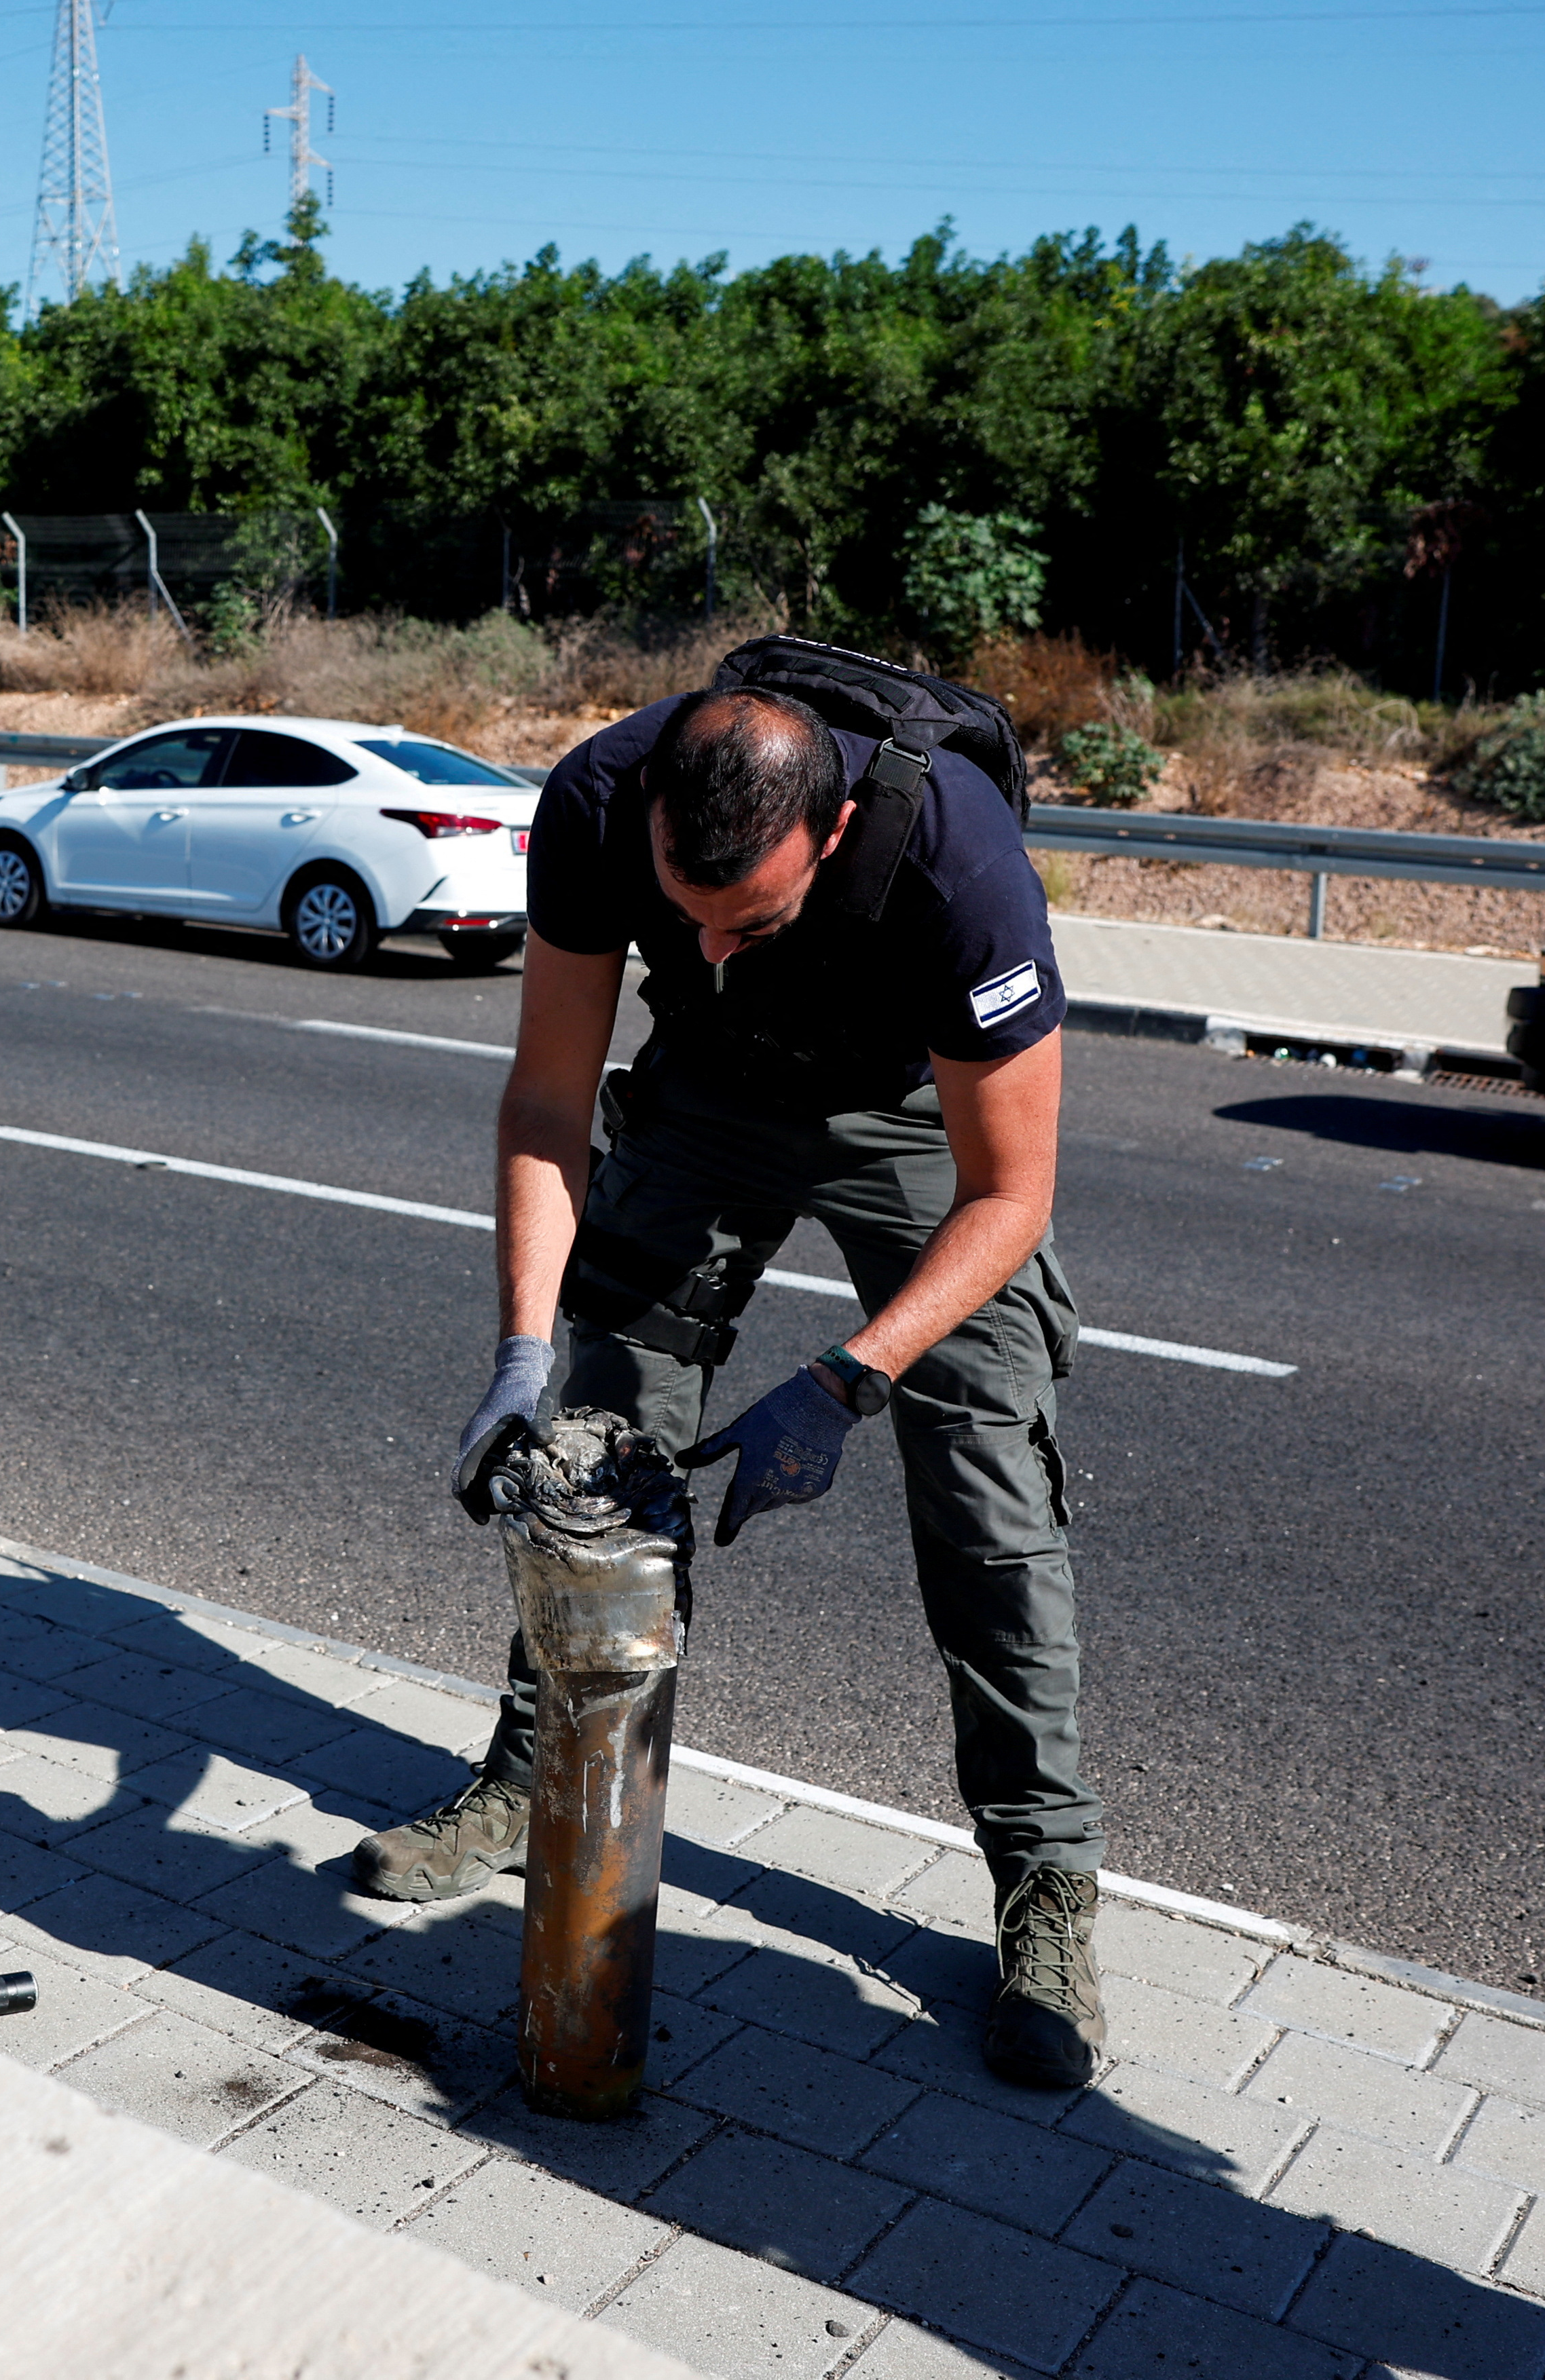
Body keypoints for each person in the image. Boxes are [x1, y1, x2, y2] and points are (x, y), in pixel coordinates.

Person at [361, 639, 1111, 2090]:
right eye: (687, 917)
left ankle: (1048, 1888)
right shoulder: (592, 803)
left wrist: (844, 1378)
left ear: (828, 835)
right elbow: (544, 1101)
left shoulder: (959, 865)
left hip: (910, 1119)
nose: (705, 948)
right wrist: (521, 1354)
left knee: (987, 1498)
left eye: (748, 923)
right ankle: (535, 1781)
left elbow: (1008, 1194)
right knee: (590, 1452)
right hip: (707, 1097)